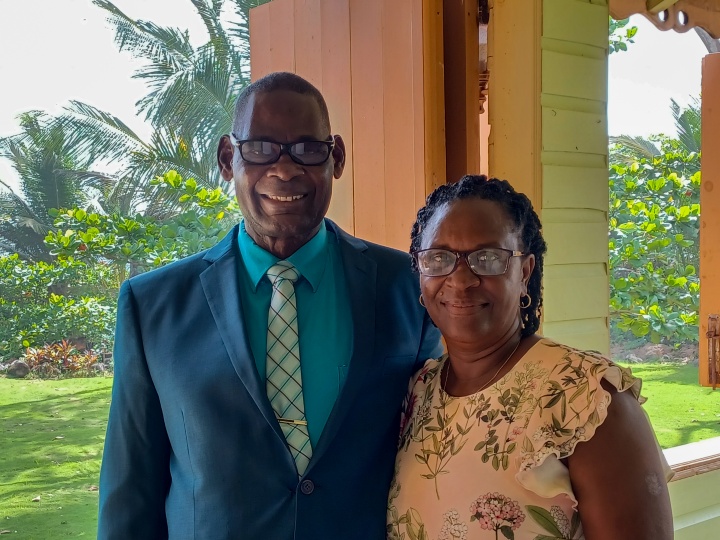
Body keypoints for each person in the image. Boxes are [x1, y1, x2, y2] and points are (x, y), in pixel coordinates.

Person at [97, 71, 442, 540]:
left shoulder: (408, 288)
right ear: (227, 158)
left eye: (307, 149)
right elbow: (130, 491)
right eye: (259, 148)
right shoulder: (152, 306)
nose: (284, 169)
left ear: (335, 157)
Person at [388, 175, 673, 540]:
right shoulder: (417, 394)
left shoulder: (586, 398)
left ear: (525, 272)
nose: (460, 280)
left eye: (488, 258)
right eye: (439, 258)